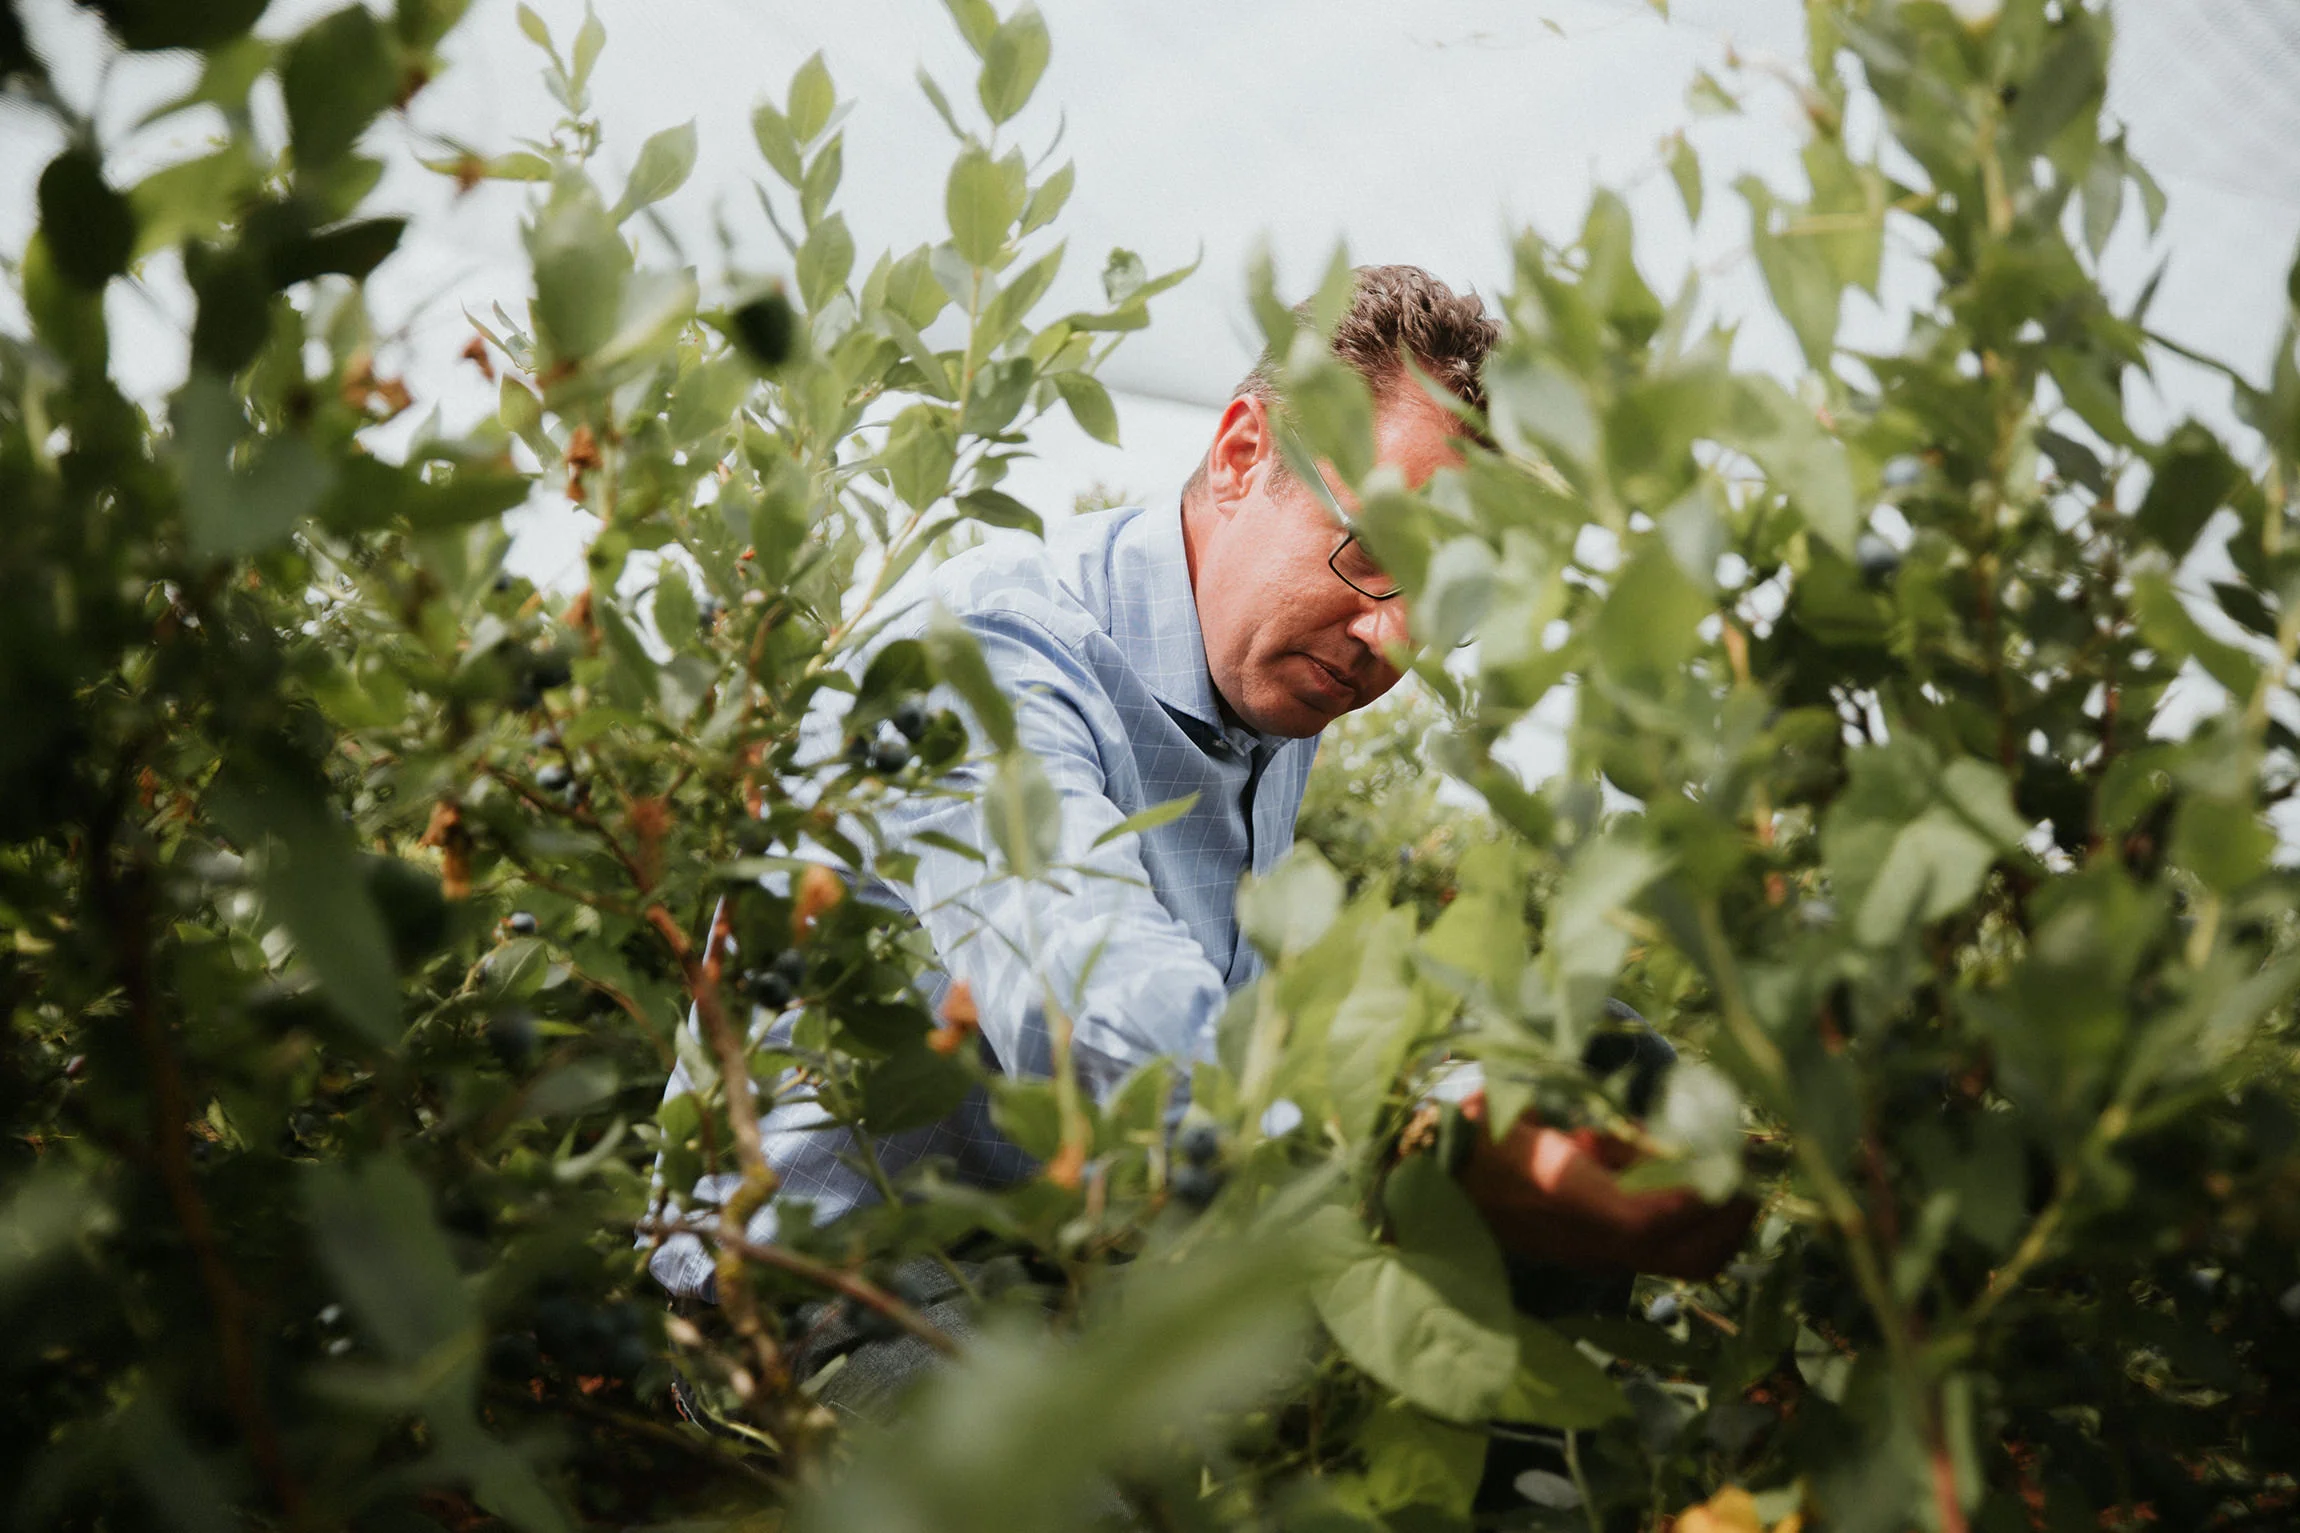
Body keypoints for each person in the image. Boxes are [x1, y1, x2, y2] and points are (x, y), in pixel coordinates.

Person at [649, 265, 1750, 1364]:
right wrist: (1412, 1138)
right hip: (823, 1292)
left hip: (1062, 1288)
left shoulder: (1267, 691)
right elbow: (1081, 982)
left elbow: (1228, 1003)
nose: (1395, 642)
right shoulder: (980, 653)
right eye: (1376, 554)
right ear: (1240, 455)